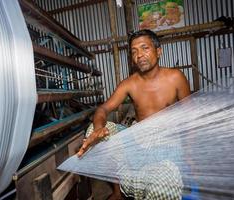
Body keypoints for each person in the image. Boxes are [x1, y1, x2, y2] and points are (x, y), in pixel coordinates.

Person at [77, 29, 191, 199]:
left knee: (162, 184)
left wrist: (190, 155)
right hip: (138, 136)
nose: (139, 55)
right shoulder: (129, 84)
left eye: (145, 48)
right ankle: (117, 192)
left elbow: (190, 116)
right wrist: (99, 129)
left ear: (158, 51)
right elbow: (103, 109)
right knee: (94, 132)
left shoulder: (175, 77)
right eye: (134, 51)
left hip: (166, 138)